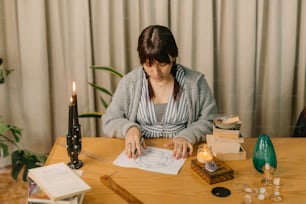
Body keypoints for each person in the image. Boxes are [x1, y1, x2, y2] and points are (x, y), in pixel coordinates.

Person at [102, 25, 217, 160]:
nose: (156, 73)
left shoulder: (195, 82)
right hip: (140, 154)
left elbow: (210, 119)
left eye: (163, 64)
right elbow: (109, 120)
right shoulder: (130, 83)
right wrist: (129, 129)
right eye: (148, 65)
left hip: (183, 153)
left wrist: (188, 135)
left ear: (173, 57)